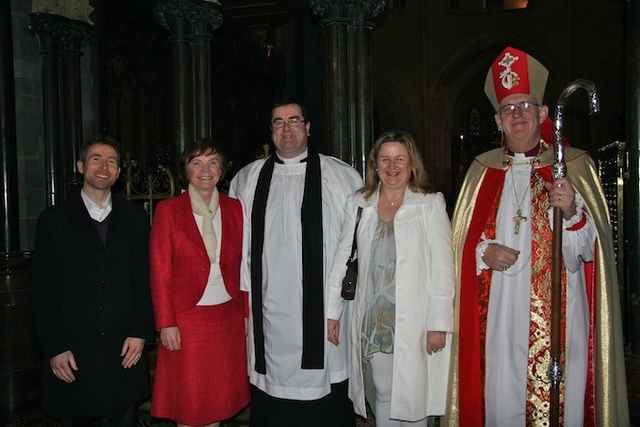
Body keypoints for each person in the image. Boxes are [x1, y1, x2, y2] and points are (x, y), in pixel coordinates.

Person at [446, 46, 629, 426]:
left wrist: (571, 212)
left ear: (543, 113)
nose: (518, 116)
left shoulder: (575, 166)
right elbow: (458, 248)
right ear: (497, 120)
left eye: (526, 106)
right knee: (499, 399)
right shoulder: (480, 173)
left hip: (563, 319)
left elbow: (588, 256)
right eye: (509, 109)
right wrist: (483, 253)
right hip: (497, 319)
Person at [229, 97, 363, 426]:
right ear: (271, 132)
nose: (286, 128)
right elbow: (232, 247)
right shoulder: (247, 179)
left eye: (294, 120)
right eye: (278, 122)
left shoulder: (341, 175)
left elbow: (361, 242)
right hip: (269, 306)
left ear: (307, 127)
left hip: (323, 307)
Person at [326, 130, 454, 427]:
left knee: (413, 397)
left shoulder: (429, 204)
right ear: (375, 164)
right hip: (375, 317)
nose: (392, 166)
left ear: (412, 164)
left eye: (400, 159)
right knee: (383, 392)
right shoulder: (359, 203)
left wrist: (438, 324)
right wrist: (332, 312)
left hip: (416, 318)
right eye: (385, 159)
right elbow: (341, 259)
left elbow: (443, 268)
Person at [31, 134, 154, 426]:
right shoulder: (54, 220)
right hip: (74, 349)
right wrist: (55, 347)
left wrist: (140, 331)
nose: (104, 166)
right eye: (96, 158)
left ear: (119, 171)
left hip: (122, 347)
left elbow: (144, 278)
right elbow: (43, 291)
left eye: (112, 161)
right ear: (80, 166)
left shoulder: (136, 218)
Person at [149, 139, 250, 427]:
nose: (205, 169)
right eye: (197, 162)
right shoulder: (169, 211)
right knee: (191, 404)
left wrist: (245, 313)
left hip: (227, 317)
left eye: (213, 162)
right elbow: (159, 272)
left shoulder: (235, 209)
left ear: (222, 169)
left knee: (218, 401)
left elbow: (245, 264)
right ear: (185, 170)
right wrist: (166, 322)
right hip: (187, 319)